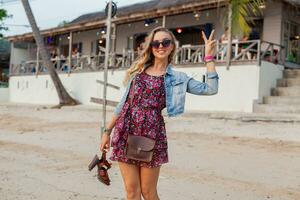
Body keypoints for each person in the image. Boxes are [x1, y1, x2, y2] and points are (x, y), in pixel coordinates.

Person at [100, 26, 219, 200]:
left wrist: (209, 57)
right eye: (156, 43)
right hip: (125, 131)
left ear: (172, 46)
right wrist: (106, 132)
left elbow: (211, 89)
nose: (160, 46)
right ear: (151, 47)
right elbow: (122, 104)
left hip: (152, 135)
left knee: (148, 193)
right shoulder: (138, 72)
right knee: (132, 192)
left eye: (165, 42)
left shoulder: (178, 78)